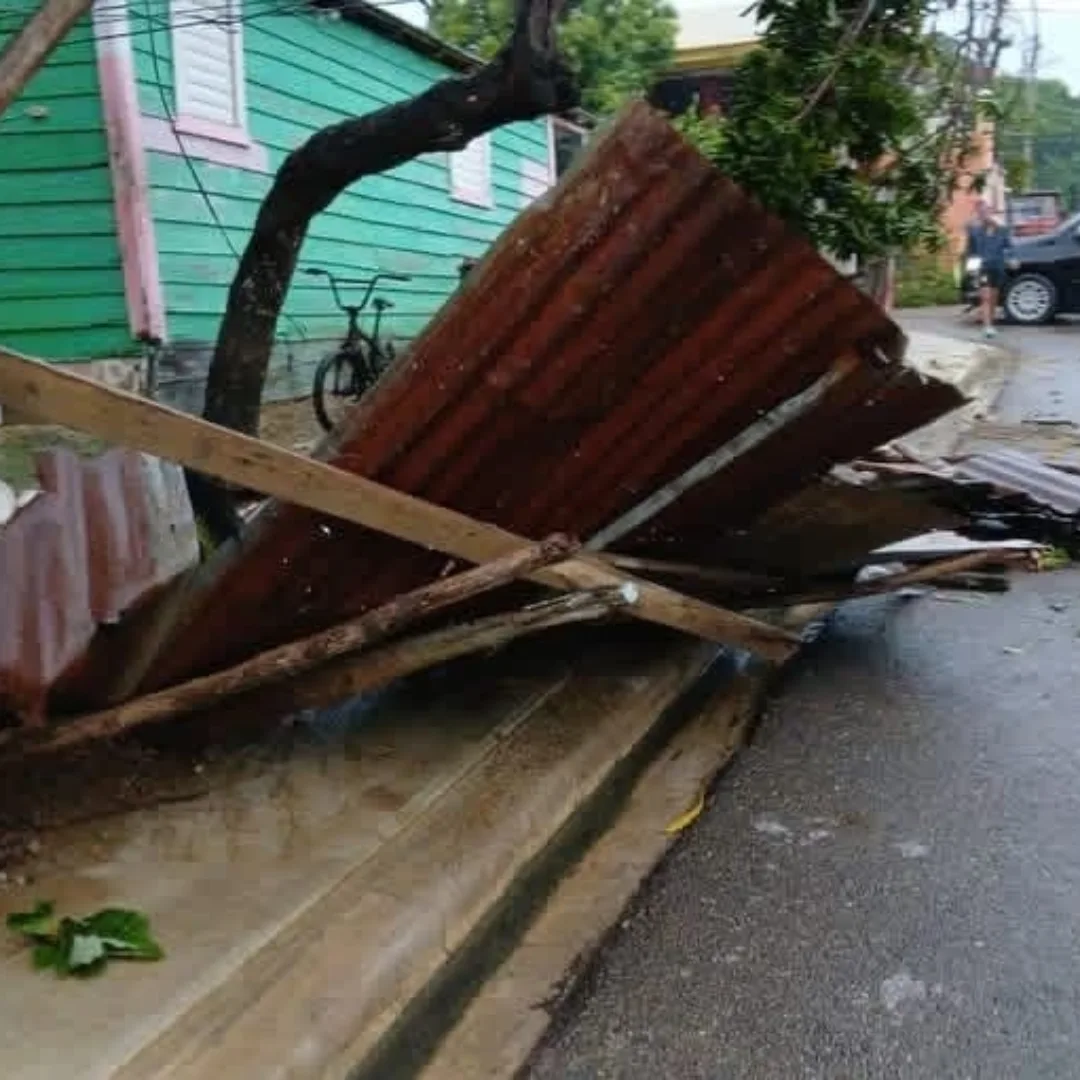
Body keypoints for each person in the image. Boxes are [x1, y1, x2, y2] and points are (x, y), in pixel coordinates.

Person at [964, 200, 1015, 339]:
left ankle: (990, 323)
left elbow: (1009, 246)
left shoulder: (1002, 230)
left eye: (986, 211)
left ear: (991, 212)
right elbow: (970, 251)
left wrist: (1012, 259)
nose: (983, 214)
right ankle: (987, 327)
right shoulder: (974, 230)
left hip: (998, 266)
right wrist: (971, 270)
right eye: (980, 212)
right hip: (983, 268)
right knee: (985, 296)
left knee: (993, 297)